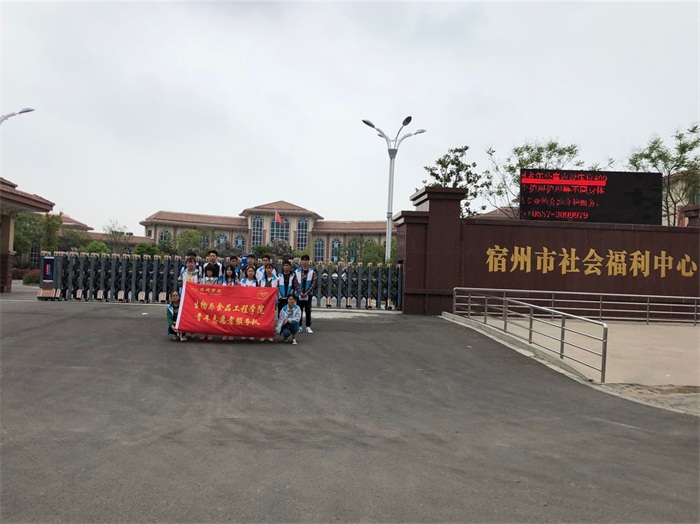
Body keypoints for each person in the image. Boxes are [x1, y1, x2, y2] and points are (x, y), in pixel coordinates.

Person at [294, 254, 317, 334]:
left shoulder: (312, 272)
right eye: (303, 260)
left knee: (308, 310)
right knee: (299, 310)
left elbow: (313, 283)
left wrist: (307, 292)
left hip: (308, 294)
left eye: (306, 260)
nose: (305, 262)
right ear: (301, 261)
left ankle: (308, 326)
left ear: (308, 261)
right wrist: (300, 292)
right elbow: (295, 283)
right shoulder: (297, 272)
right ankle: (299, 326)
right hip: (299, 294)